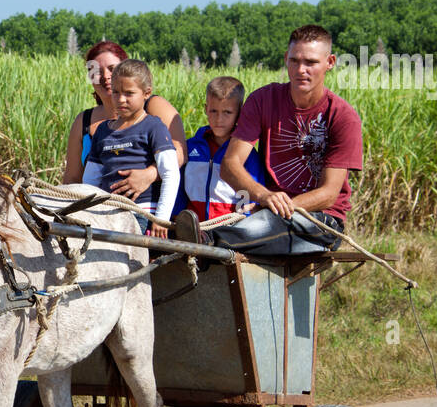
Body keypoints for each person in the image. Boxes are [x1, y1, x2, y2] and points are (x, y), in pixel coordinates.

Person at [207, 25, 363, 255]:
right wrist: (264, 196)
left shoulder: (343, 116)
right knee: (261, 226)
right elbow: (230, 166)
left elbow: (329, 193)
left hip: (320, 222)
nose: (301, 70)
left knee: (262, 227)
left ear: (330, 62)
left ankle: (206, 240)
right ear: (285, 59)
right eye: (294, 61)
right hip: (269, 212)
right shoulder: (263, 99)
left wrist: (279, 206)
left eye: (311, 62)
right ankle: (204, 238)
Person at [61, 41, 187, 201]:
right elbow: (72, 179)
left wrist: (150, 174)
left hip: (151, 213)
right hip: (102, 213)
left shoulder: (154, 107)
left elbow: (180, 152)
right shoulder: (83, 121)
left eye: (112, 69)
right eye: (97, 71)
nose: (106, 77)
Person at [82, 59, 180, 237]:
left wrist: (161, 219)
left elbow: (171, 173)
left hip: (141, 213)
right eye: (116, 92)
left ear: (146, 93)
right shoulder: (103, 130)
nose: (121, 99)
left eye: (129, 93)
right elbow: (90, 179)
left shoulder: (153, 127)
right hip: (107, 212)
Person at [174, 76, 267, 223]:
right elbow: (179, 187)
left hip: (228, 227)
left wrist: (243, 222)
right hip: (193, 225)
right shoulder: (191, 147)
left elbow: (250, 193)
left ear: (239, 112)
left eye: (227, 112)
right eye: (213, 111)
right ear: (205, 109)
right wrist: (175, 217)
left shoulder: (246, 155)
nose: (219, 119)